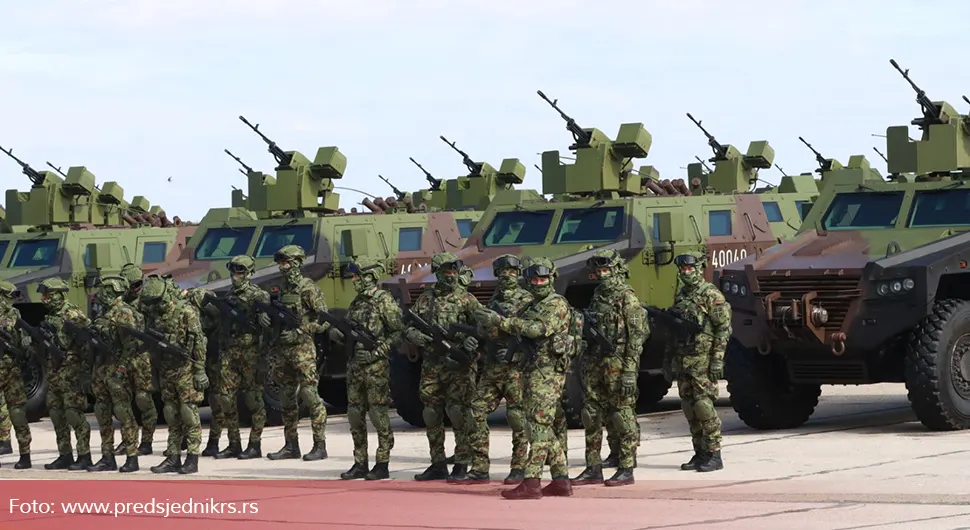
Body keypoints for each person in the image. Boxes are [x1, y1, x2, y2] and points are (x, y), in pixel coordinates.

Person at [476, 257, 577, 499]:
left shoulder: (556, 304)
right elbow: (508, 328)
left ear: (551, 279)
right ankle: (561, 479)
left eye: (542, 279)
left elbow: (536, 330)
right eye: (534, 279)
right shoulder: (531, 305)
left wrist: (501, 321)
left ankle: (531, 482)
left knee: (538, 427)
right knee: (543, 426)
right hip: (530, 370)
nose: (538, 283)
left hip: (548, 373)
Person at [570, 249, 647, 487]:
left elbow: (636, 337)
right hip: (594, 362)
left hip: (617, 362)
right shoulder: (598, 296)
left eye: (606, 270)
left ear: (617, 270)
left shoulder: (627, 297)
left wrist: (629, 372)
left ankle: (626, 466)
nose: (602, 275)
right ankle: (593, 467)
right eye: (599, 271)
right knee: (591, 414)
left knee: (622, 414)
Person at [403, 252, 481, 481]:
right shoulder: (426, 299)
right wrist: (415, 335)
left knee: (459, 413)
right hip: (432, 365)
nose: (451, 276)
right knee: (431, 413)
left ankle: (462, 462)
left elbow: (484, 329)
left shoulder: (467, 299)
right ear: (437, 273)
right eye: (446, 272)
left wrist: (471, 342)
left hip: (458, 365)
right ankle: (437, 462)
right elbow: (407, 326)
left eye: (453, 271)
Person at [461, 254, 532, 485]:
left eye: (511, 272)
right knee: (475, 411)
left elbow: (535, 334)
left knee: (517, 417)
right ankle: (480, 467)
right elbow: (485, 333)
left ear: (518, 274)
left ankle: (519, 466)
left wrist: (519, 352)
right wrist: (475, 341)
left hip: (516, 369)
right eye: (502, 272)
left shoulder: (528, 301)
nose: (506, 276)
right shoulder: (492, 302)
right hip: (492, 368)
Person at [257, 245, 331, 462]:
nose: (283, 267)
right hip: (283, 352)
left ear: (298, 263)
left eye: (286, 263)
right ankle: (291, 445)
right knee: (286, 398)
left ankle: (320, 445)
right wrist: (267, 321)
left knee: (310, 396)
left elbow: (325, 321)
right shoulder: (281, 288)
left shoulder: (308, 289)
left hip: (302, 351)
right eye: (281, 263)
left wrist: (301, 330)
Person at [335, 257, 403, 480]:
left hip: (375, 368)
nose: (353, 280)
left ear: (370, 277)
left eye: (357, 276)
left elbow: (397, 332)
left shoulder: (383, 300)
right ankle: (359, 462)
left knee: (378, 415)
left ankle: (382, 462)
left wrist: (377, 352)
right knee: (355, 414)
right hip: (355, 367)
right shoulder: (357, 302)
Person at [664, 252, 730, 472]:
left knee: (704, 406)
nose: (686, 273)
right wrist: (669, 359)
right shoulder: (682, 295)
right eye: (682, 270)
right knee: (689, 407)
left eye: (690, 269)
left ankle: (713, 453)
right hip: (684, 360)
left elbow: (723, 329)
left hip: (703, 360)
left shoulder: (711, 295)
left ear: (700, 268)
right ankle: (699, 452)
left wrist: (717, 360)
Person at [138, 276, 209, 474]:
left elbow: (199, 343)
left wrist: (200, 370)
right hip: (166, 370)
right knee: (171, 414)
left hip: (186, 369)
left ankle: (192, 458)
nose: (155, 306)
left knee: (189, 414)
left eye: (158, 302)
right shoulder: (154, 314)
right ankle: (173, 457)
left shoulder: (186, 312)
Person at [206, 255, 270, 460]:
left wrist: (262, 319)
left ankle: (255, 444)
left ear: (250, 273)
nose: (236, 276)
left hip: (250, 352)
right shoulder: (229, 296)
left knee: (253, 399)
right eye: (233, 271)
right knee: (225, 398)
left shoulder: (258, 296)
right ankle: (234, 443)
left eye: (240, 271)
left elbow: (266, 324)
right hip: (229, 352)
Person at [32, 278, 92, 470]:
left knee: (74, 414)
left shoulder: (72, 314)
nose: (44, 299)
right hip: (54, 373)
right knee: (57, 414)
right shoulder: (51, 317)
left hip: (70, 373)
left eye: (47, 295)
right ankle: (64, 454)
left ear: (59, 295)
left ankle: (84, 455)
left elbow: (88, 343)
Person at [87, 275, 143, 473]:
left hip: (117, 370)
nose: (100, 294)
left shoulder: (124, 313)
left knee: (123, 413)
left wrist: (122, 369)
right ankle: (107, 456)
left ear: (113, 290)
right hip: (101, 369)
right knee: (102, 413)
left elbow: (131, 346)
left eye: (104, 290)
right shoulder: (104, 313)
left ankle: (131, 456)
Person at [117, 263, 157, 455]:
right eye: (132, 284)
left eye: (138, 283)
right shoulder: (119, 303)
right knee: (123, 401)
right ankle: (128, 440)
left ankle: (147, 441)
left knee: (143, 399)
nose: (137, 288)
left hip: (143, 357)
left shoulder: (149, 301)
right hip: (124, 356)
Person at [0, 281, 32, 469]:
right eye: (8, 296)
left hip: (12, 369)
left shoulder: (15, 315)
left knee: (18, 412)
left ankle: (25, 454)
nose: (11, 301)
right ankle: (4, 441)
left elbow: (23, 341)